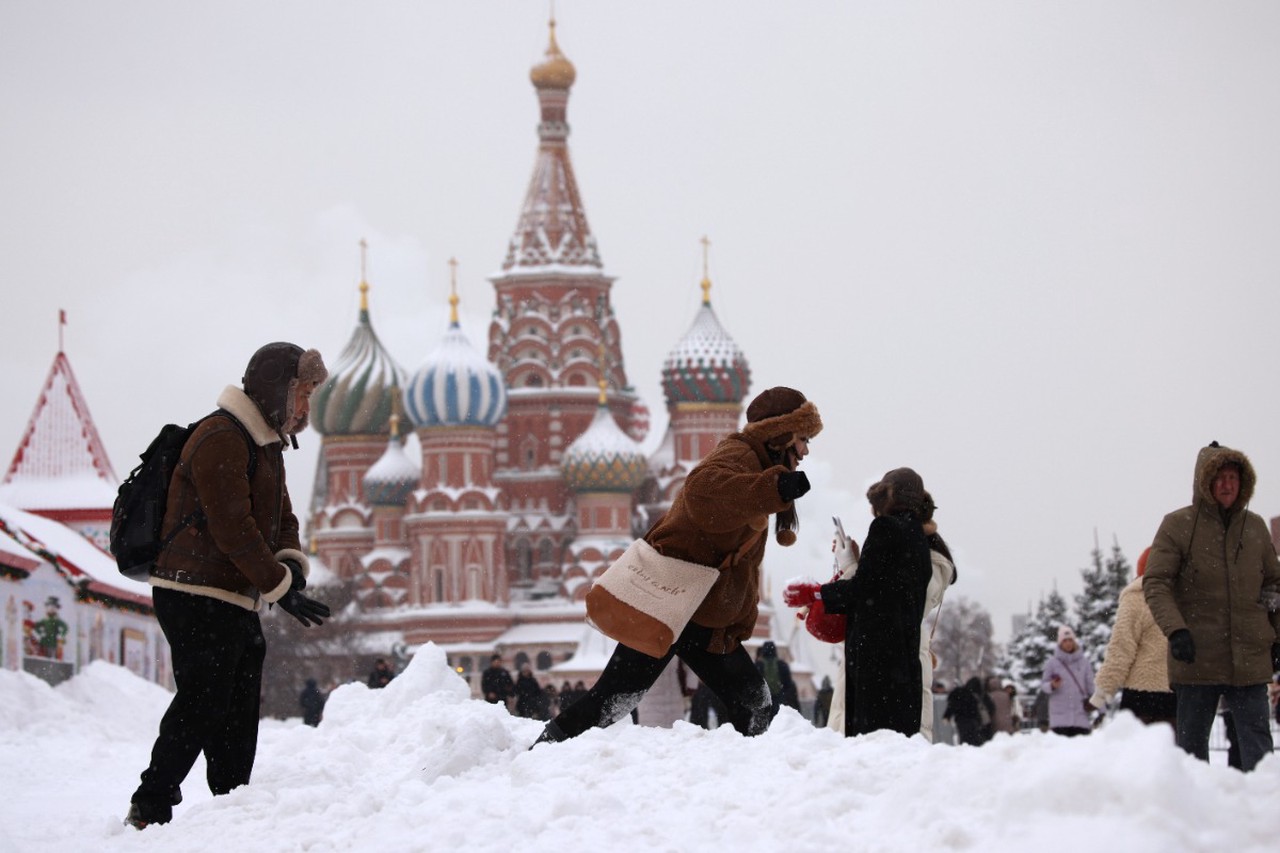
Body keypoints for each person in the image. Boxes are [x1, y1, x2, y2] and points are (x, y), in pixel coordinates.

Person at [534, 387, 821, 745]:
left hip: (697, 612)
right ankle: (546, 750)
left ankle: (750, 776)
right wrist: (774, 487)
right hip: (672, 601)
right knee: (617, 696)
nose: (806, 450)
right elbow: (702, 491)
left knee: (750, 701)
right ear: (780, 434)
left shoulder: (755, 463)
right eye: (803, 438)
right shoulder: (741, 454)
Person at [126, 342, 331, 829]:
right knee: (205, 694)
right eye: (302, 394)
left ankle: (232, 803)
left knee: (238, 699)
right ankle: (151, 801)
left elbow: (282, 517)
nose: (306, 408)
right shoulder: (220, 436)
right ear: (276, 390)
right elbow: (232, 525)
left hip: (232, 593)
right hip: (190, 589)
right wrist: (279, 586)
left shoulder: (265, 444)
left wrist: (291, 565)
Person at [1143, 442, 1280, 772]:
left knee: (1258, 744)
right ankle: (1194, 814)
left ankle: (1263, 813)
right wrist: (1176, 630)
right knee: (1191, 748)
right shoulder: (1178, 526)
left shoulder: (1256, 527)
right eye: (1218, 478)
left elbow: (1273, 585)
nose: (1226, 485)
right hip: (1196, 657)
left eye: (1232, 477)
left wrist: (1276, 636)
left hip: (1249, 657)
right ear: (1204, 482)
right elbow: (1156, 582)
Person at [787, 468, 933, 738]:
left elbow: (866, 588)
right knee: (897, 745)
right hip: (904, 664)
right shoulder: (917, 537)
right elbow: (887, 589)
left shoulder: (885, 528)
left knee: (871, 743)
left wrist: (819, 593)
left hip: (877, 665)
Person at [1087, 547, 1175, 729]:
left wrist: (1103, 690)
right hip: (1178, 692)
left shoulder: (1136, 599)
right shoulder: (1186, 599)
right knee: (1173, 754)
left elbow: (1121, 649)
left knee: (1139, 753)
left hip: (1141, 695)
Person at [1040, 625, 1095, 737]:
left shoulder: (1084, 663)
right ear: (1060, 643)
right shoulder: (1052, 663)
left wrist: (1101, 710)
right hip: (1059, 720)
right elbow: (1044, 686)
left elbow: (1092, 688)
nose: (1068, 643)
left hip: (1080, 719)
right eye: (1065, 640)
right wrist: (1052, 685)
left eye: (1070, 640)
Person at [944, 677, 993, 745]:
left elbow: (952, 706)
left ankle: (965, 748)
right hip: (972, 720)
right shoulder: (976, 696)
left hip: (960, 720)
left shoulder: (958, 693)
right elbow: (980, 709)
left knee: (964, 738)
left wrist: (947, 716)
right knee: (973, 738)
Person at [755, 641, 799, 716]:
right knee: (778, 723)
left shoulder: (758, 666)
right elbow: (788, 685)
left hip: (763, 703)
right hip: (780, 701)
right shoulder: (782, 665)